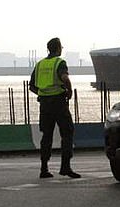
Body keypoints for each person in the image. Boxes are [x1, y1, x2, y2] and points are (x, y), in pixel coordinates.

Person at [29, 37, 81, 179]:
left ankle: (44, 169)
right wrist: (69, 91)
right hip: (58, 103)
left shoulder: (40, 64)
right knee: (67, 132)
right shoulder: (59, 62)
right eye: (61, 47)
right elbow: (64, 78)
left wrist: (42, 93)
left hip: (44, 105)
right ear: (58, 48)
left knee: (46, 136)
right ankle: (65, 167)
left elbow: (31, 85)